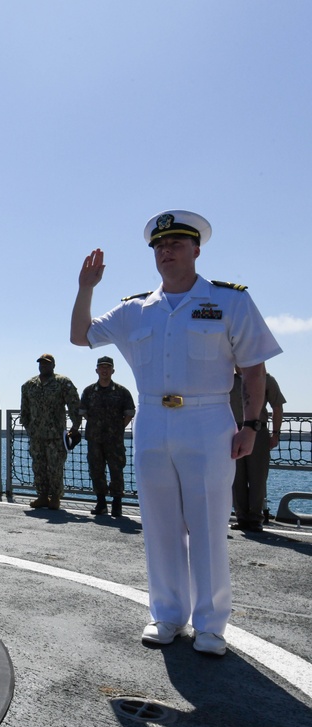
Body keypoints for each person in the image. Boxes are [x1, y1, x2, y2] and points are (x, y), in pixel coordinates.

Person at [70, 209, 282, 656]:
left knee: (206, 524)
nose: (166, 251)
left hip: (207, 421)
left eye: (176, 244)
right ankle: (167, 614)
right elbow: (80, 336)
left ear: (196, 249)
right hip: (150, 421)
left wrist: (251, 426)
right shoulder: (134, 309)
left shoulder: (230, 301)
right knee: (161, 524)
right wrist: (86, 287)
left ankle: (210, 624)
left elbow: (254, 370)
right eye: (159, 247)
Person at [18, 354, 82, 510]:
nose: (43, 366)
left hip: (55, 435)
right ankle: (42, 496)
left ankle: (55, 497)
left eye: (47, 364)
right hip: (36, 436)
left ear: (53, 365)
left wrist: (75, 426)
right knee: (38, 466)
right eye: (41, 363)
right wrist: (29, 427)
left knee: (55, 467)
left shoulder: (62, 383)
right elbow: (24, 411)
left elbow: (74, 405)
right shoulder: (29, 385)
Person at [230, 368, 287, 532]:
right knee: (236, 477)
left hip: (257, 431)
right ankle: (241, 517)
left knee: (258, 477)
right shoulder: (228, 380)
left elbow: (277, 407)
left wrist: (275, 434)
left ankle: (255, 518)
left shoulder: (266, 379)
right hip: (232, 432)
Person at [79, 356, 135, 517]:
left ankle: (117, 504)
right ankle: (101, 503)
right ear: (97, 370)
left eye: (108, 368)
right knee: (96, 470)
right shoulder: (89, 391)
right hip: (94, 439)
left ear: (113, 371)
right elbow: (85, 413)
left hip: (114, 440)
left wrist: (116, 429)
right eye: (102, 367)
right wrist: (98, 427)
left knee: (116, 470)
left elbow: (129, 414)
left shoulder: (122, 392)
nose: (104, 370)